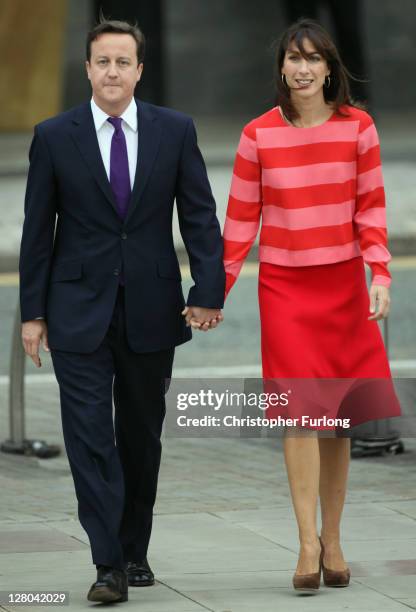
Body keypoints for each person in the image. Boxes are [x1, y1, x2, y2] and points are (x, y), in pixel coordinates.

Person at [19, 18, 224, 604]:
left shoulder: (174, 131)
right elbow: (38, 230)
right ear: (87, 69)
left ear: (139, 70)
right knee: (89, 439)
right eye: (101, 61)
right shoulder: (55, 135)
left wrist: (206, 290)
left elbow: (201, 217)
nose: (111, 71)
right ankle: (107, 561)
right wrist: (33, 313)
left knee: (140, 437)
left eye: (122, 62)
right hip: (76, 311)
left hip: (151, 310)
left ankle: (135, 550)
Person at [222, 18, 400, 594]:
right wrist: (212, 294)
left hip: (344, 286)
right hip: (285, 288)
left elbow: (371, 208)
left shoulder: (359, 128)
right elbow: (241, 220)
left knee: (337, 418)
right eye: (292, 59)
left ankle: (336, 538)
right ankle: (306, 542)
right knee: (300, 414)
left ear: (329, 68)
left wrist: (380, 273)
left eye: (312, 59)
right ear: (281, 68)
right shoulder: (258, 135)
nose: (301, 68)